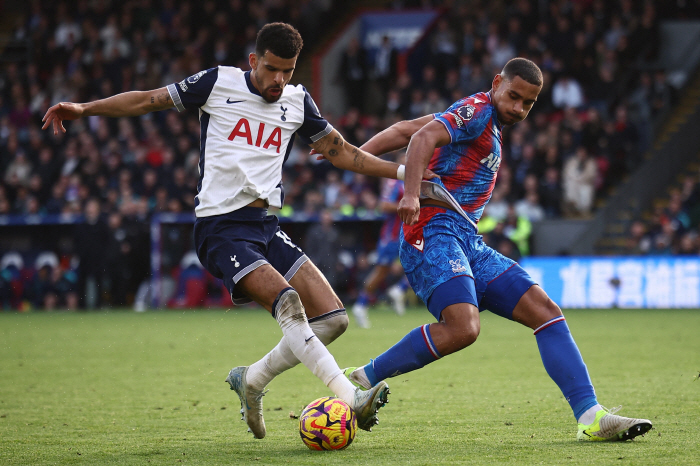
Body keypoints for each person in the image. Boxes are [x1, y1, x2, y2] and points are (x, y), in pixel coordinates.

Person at [43, 23, 436, 439]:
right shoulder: (218, 83)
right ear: (253, 61)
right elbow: (147, 100)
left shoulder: (298, 102)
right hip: (221, 228)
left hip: (266, 226)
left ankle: (251, 380)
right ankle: (350, 396)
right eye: (271, 69)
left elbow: (344, 154)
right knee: (288, 304)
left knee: (334, 319)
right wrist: (86, 108)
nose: (279, 80)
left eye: (288, 70)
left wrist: (404, 173)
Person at [341, 58, 652, 442]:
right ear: (496, 83)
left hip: (467, 240)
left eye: (528, 103)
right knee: (463, 327)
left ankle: (591, 416)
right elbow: (420, 140)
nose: (518, 108)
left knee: (545, 312)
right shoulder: (477, 110)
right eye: (514, 97)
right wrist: (407, 194)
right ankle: (363, 378)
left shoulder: (486, 120)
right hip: (433, 230)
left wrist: (351, 155)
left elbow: (407, 128)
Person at [352, 152, 410, 328]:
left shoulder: (413, 181)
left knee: (426, 261)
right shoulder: (394, 182)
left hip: (408, 233)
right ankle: (360, 305)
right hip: (392, 235)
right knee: (381, 272)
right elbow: (384, 206)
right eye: (405, 158)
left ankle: (399, 289)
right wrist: (408, 205)